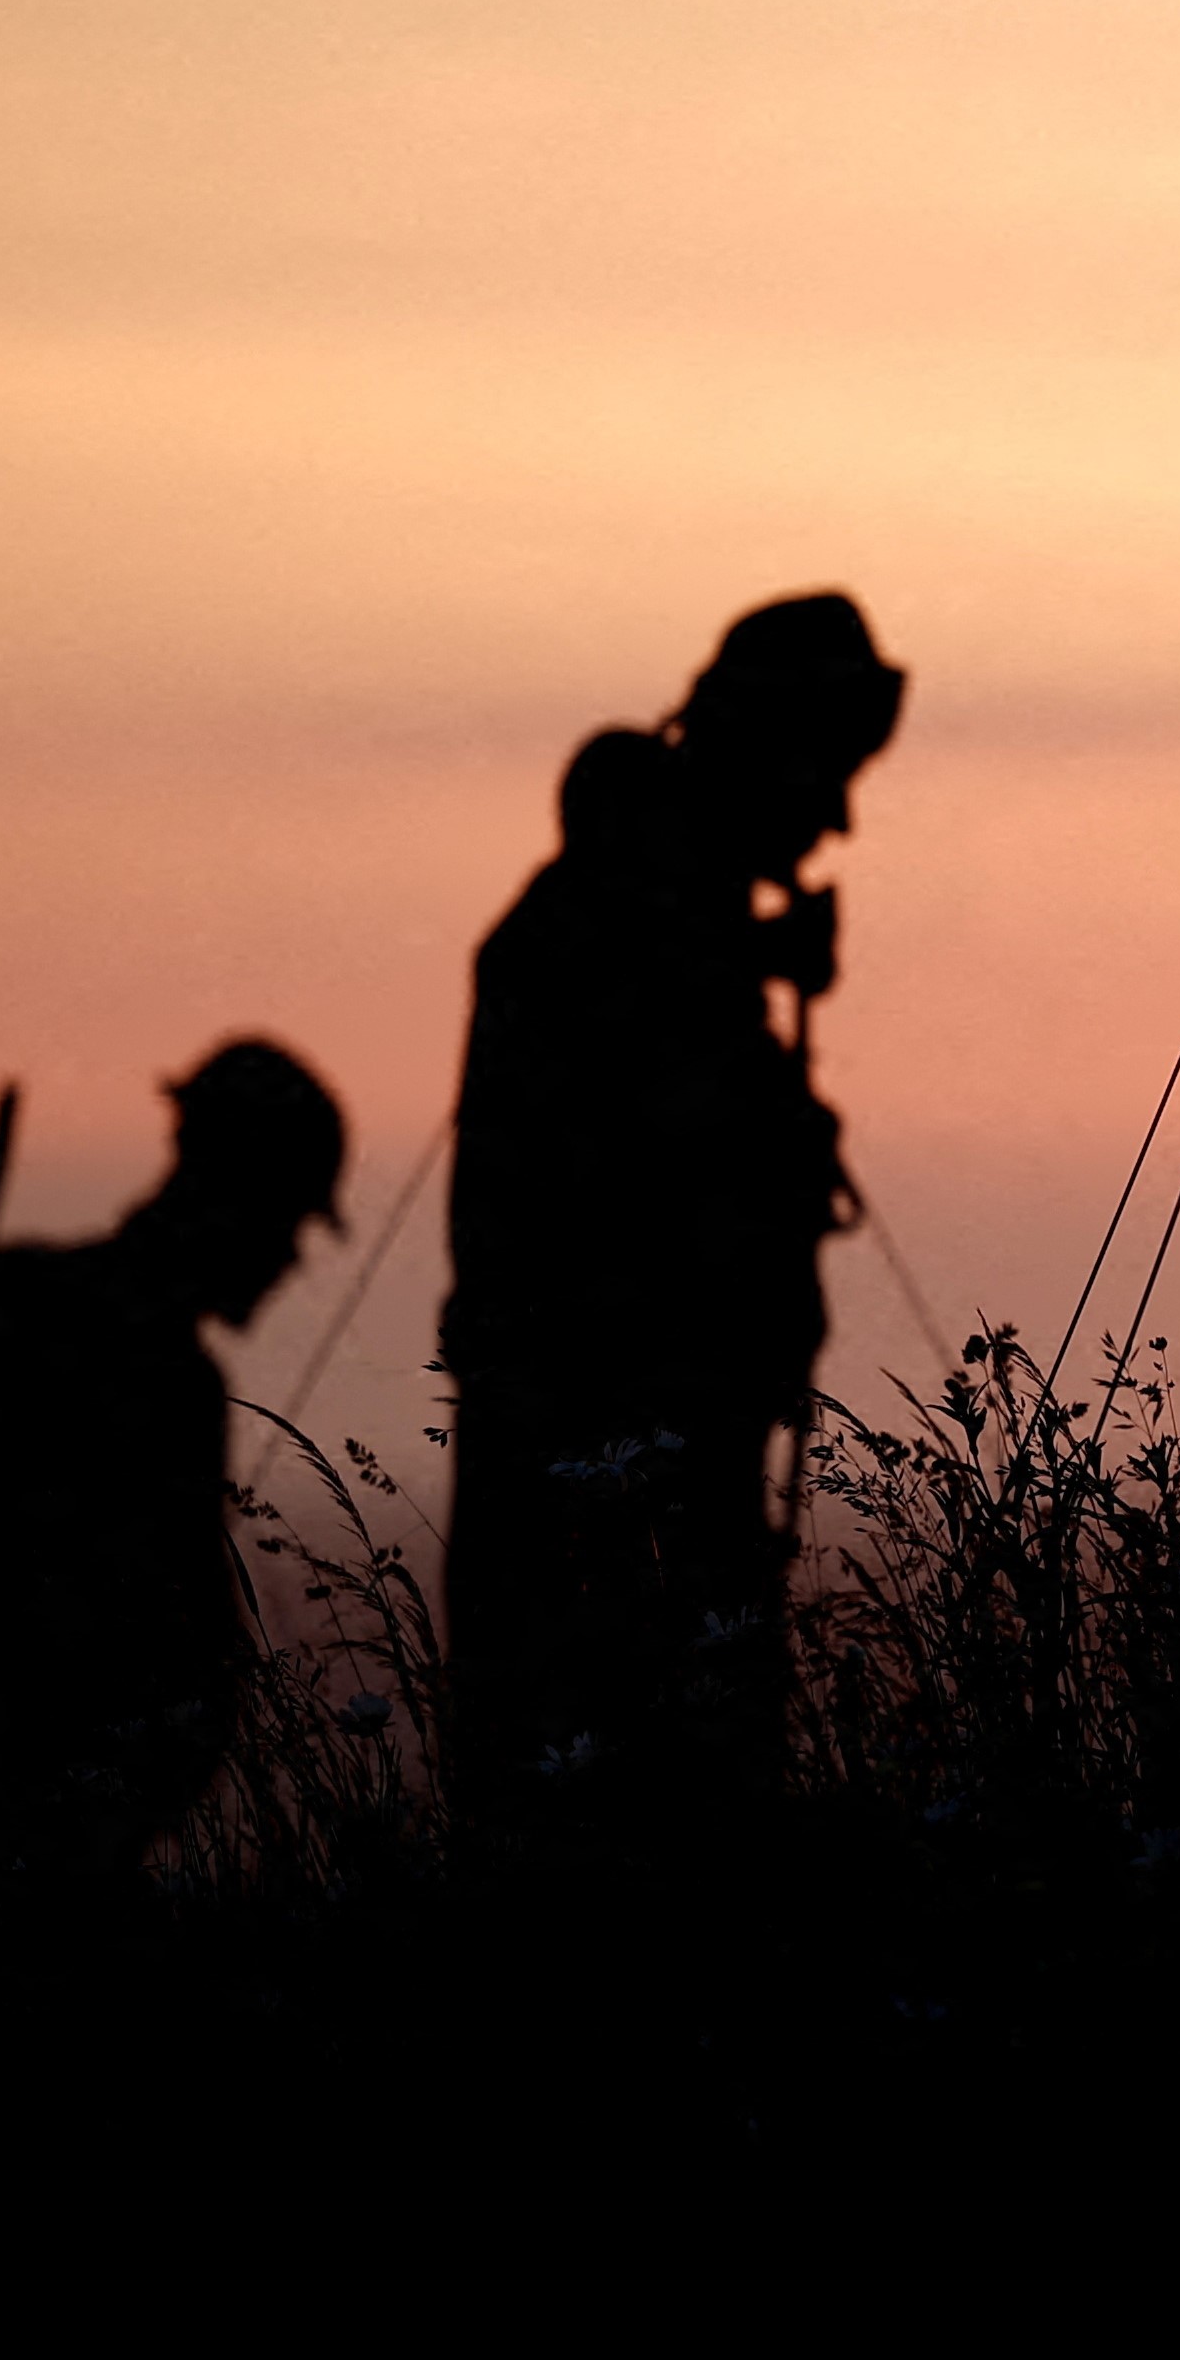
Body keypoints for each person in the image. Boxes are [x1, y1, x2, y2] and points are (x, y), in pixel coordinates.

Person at [437, 592, 901, 1832]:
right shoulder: (618, 934)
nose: (837, 818)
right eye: (829, 772)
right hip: (608, 1460)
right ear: (767, 748)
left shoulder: (644, 923)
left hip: (644, 1451)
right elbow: (651, 1198)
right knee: (617, 1800)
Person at [0, 1039, 343, 1891]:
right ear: (243, 1195)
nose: (291, 1259)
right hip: (8, 1844)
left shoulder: (8, 1306)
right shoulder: (164, 1376)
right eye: (288, 1218)